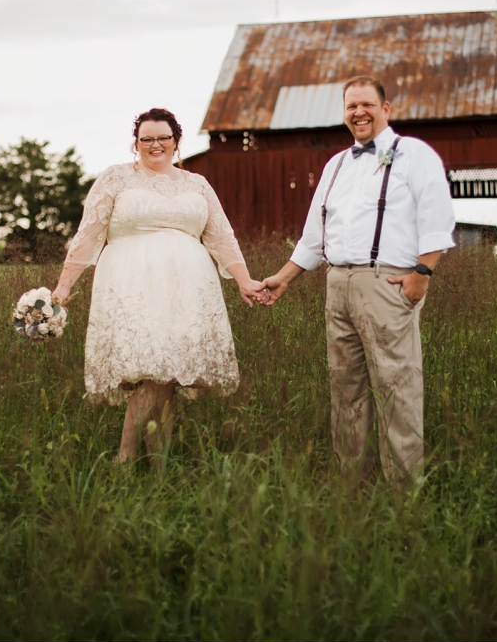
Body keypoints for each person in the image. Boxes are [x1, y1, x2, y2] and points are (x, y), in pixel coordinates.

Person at [257, 76, 456, 486]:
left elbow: (436, 218)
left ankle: (404, 493)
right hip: (338, 284)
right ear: (344, 113)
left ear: (387, 108)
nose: (358, 112)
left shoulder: (413, 154)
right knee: (345, 389)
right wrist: (284, 278)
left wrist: (423, 274)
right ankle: (354, 488)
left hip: (386, 284)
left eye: (367, 104)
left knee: (397, 389)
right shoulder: (337, 164)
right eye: (351, 106)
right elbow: (316, 233)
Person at [52, 108, 263, 467]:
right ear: (135, 143)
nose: (155, 144)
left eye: (163, 137)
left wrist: (244, 281)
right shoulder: (115, 179)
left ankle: (157, 464)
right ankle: (126, 456)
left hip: (186, 289)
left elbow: (221, 237)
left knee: (166, 374)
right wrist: (62, 287)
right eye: (146, 138)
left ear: (176, 142)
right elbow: (88, 236)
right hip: (131, 285)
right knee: (151, 371)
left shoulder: (196, 184)